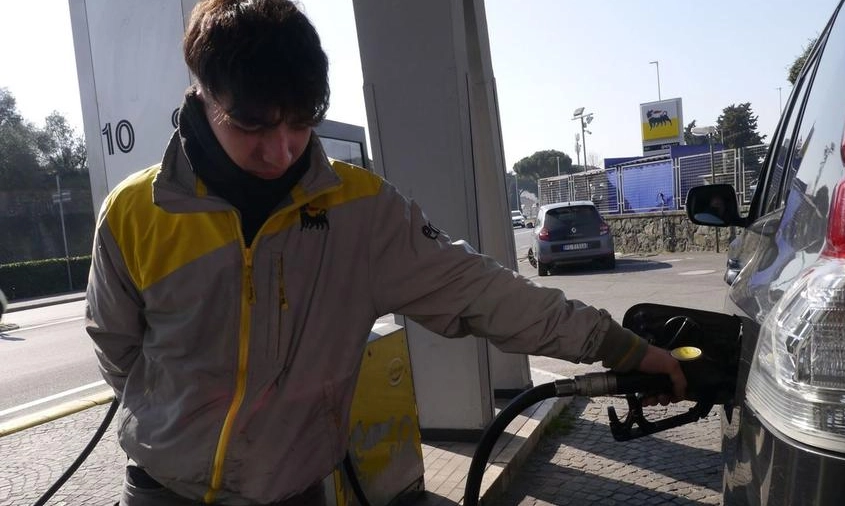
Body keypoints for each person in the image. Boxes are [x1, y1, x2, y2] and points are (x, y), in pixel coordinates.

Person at [85, 1, 686, 505]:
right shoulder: (134, 215)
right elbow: (118, 349)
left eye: (302, 123)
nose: (282, 150)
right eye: (253, 126)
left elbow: (488, 294)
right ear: (202, 93)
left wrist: (623, 348)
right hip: (160, 492)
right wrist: (177, 421)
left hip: (295, 494)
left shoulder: (362, 213)